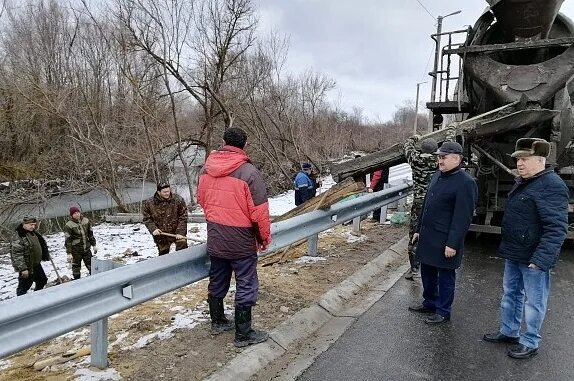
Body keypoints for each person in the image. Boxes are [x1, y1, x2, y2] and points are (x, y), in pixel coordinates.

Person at [483, 138, 568, 359]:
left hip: (534, 258)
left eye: (525, 159)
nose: (519, 164)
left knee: (534, 301)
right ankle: (509, 331)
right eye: (518, 159)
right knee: (511, 294)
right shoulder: (524, 181)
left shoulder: (551, 185)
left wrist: (541, 260)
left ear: (540, 160)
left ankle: (530, 341)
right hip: (515, 252)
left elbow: (557, 228)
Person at [197, 127, 272, 348]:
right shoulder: (249, 173)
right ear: (245, 145)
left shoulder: (205, 170)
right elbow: (260, 213)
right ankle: (243, 333)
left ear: (223, 142)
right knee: (246, 283)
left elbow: (201, 200)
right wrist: (263, 239)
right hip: (241, 239)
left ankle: (218, 321)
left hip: (216, 235)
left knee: (218, 277)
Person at [408, 141, 478, 324]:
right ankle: (430, 302)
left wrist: (453, 243)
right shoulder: (437, 175)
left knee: (445, 276)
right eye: (439, 157)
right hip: (429, 235)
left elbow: (462, 217)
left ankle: (443, 310)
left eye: (444, 157)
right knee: (427, 271)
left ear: (457, 159)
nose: (440, 160)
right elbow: (426, 205)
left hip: (446, 239)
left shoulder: (466, 183)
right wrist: (418, 230)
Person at [403, 126, 456, 280]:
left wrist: (415, 137)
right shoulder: (437, 161)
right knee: (434, 234)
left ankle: (414, 269)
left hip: (419, 202)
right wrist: (451, 129)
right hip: (434, 203)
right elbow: (449, 143)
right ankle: (434, 265)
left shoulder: (415, 159)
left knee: (414, 235)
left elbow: (407, 145)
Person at [142, 182, 188, 256]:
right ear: (158, 192)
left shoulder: (178, 199)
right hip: (161, 233)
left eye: (168, 191)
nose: (167, 193)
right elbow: (147, 218)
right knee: (163, 253)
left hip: (177, 231)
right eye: (164, 192)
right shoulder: (149, 203)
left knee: (183, 250)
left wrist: (180, 232)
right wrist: (153, 229)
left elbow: (183, 216)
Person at [10, 216, 50, 296]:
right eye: (31, 224)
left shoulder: (33, 233)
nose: (33, 226)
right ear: (24, 224)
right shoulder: (19, 236)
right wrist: (23, 269)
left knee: (42, 280)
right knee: (23, 287)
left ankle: (37, 296)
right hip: (27, 266)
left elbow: (40, 244)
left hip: (36, 264)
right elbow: (17, 255)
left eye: (34, 224)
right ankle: (21, 303)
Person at [64, 206, 97, 279]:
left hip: (86, 249)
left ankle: (94, 280)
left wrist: (94, 245)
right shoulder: (69, 225)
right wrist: (69, 253)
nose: (77, 214)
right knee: (76, 269)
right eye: (74, 213)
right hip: (76, 251)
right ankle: (77, 282)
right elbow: (68, 241)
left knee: (92, 267)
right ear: (72, 215)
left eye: (77, 212)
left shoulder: (86, 221)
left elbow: (90, 234)